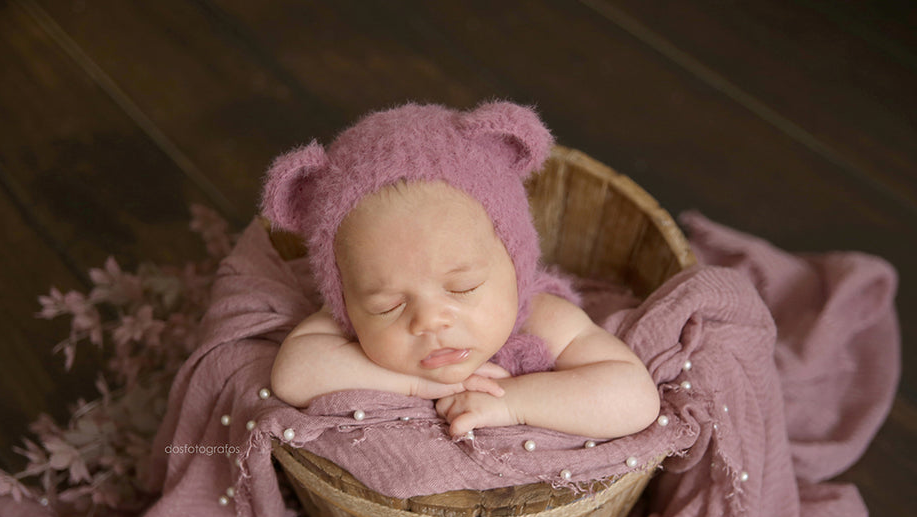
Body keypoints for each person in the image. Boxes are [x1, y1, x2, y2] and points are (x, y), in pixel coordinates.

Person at [261, 102, 660, 440]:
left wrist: (517, 403)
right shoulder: (351, 324)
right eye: (389, 306)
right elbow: (293, 375)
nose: (429, 320)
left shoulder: (543, 319)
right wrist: (420, 385)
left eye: (463, 287)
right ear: (345, 299)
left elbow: (635, 398)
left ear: (517, 267)